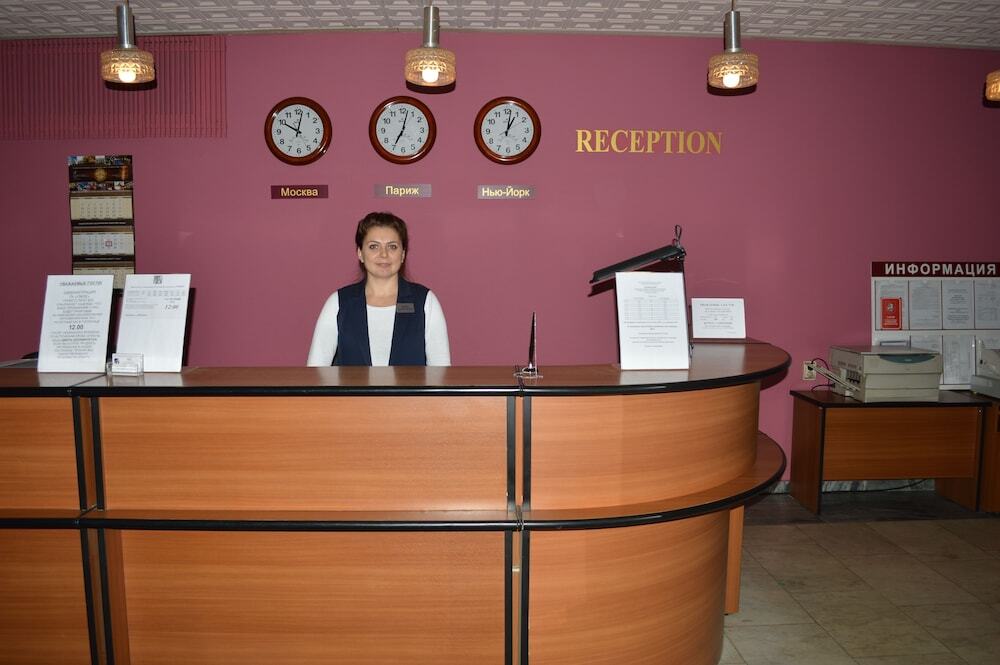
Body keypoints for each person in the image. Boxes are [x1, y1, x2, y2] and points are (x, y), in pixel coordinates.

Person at [307, 212, 450, 366]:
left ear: (403, 254)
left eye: (392, 247)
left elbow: (441, 373)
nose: (383, 254)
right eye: (373, 246)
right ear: (360, 253)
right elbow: (315, 371)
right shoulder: (339, 303)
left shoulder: (426, 302)